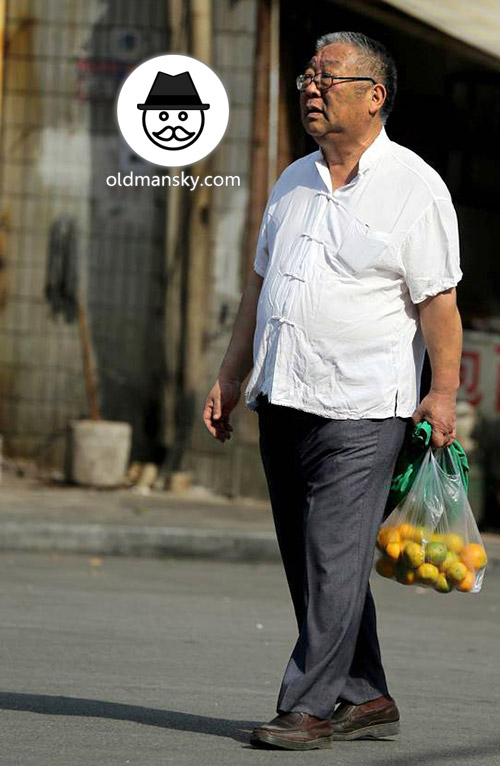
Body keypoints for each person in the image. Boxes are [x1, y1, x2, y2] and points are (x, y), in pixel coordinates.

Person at [203, 30, 462, 751]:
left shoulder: (415, 188)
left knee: (331, 556)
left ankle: (307, 707)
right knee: (316, 563)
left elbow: (439, 305)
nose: (311, 89)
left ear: (374, 97)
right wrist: (231, 375)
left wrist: (442, 393)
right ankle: (366, 694)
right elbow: (260, 290)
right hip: (284, 399)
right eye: (307, 78)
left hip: (361, 411)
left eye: (329, 78)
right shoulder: (291, 182)